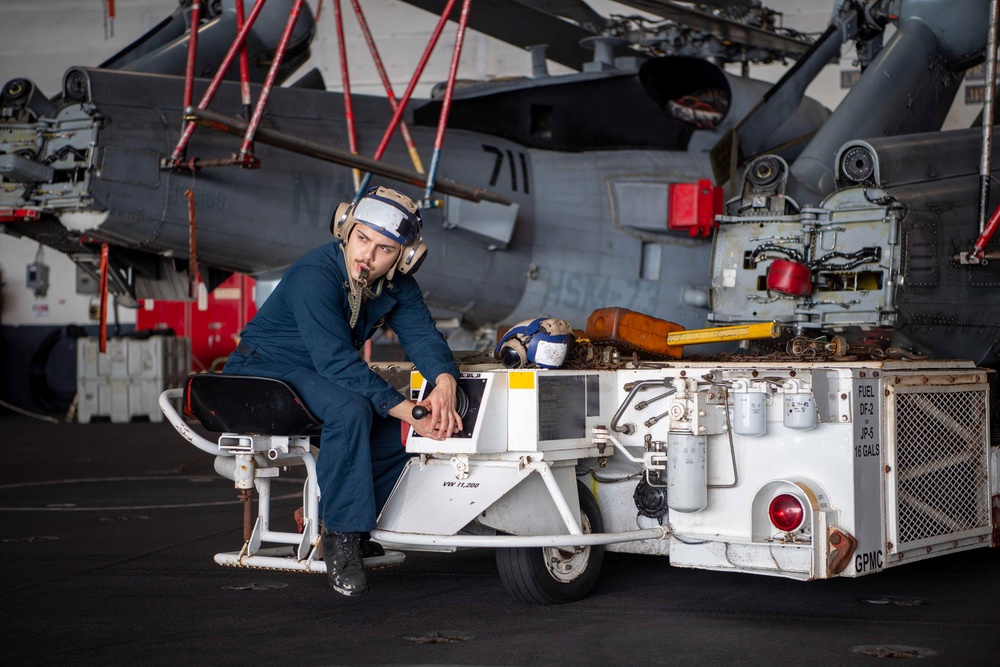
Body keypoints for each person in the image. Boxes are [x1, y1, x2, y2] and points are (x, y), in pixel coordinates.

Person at [222, 186, 463, 597]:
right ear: (346, 231)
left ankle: (331, 514)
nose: (366, 255)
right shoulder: (315, 274)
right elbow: (335, 361)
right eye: (361, 238)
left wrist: (444, 382)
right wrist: (407, 407)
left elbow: (423, 338)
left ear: (403, 257)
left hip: (311, 376)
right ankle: (344, 538)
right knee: (353, 409)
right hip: (258, 375)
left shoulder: (395, 286)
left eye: (383, 247)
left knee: (400, 436)